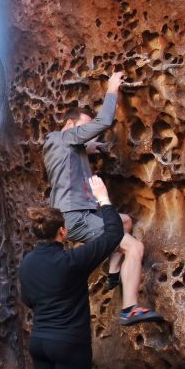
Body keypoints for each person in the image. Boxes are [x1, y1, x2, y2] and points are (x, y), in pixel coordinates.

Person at [43, 71, 162, 325]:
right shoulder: (59, 138)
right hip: (76, 217)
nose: (88, 135)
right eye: (84, 130)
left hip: (81, 214)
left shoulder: (64, 147)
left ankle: (113, 271)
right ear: (69, 125)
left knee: (125, 221)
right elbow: (104, 120)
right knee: (135, 247)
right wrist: (111, 89)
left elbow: (75, 151)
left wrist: (91, 147)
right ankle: (129, 308)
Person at [20, 175, 123, 369]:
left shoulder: (27, 264)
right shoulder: (72, 261)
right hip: (69, 345)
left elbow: (28, 300)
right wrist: (103, 199)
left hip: (40, 342)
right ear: (62, 232)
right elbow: (113, 235)